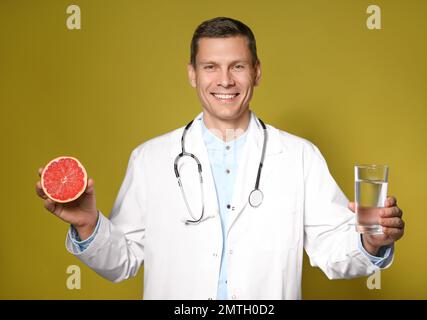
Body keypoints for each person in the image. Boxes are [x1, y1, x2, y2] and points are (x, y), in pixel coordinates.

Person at [35, 17, 405, 300]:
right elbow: (123, 261)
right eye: (211, 67)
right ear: (193, 74)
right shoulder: (149, 158)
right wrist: (88, 225)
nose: (224, 80)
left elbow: (334, 252)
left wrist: (373, 241)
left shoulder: (299, 156)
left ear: (256, 72)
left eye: (238, 66)